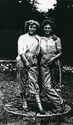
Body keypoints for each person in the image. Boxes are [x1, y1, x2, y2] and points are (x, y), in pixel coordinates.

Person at [16, 20, 44, 114]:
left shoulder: (38, 38)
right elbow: (20, 51)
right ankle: (24, 102)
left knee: (34, 81)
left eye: (34, 27)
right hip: (23, 59)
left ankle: (39, 104)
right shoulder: (22, 37)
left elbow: (48, 40)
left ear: (36, 29)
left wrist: (55, 37)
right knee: (22, 81)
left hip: (34, 60)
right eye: (31, 27)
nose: (32, 29)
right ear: (27, 27)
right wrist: (25, 61)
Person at [40, 19, 64, 113]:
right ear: (43, 29)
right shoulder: (40, 39)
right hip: (43, 63)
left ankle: (58, 107)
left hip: (54, 62)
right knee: (46, 86)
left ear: (51, 29)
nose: (47, 29)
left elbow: (60, 52)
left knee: (55, 84)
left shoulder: (56, 39)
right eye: (45, 28)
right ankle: (60, 102)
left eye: (49, 28)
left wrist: (52, 59)